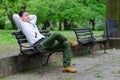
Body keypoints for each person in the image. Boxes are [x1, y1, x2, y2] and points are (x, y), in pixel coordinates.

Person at [13, 10, 78, 73]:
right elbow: (14, 16)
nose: (28, 17)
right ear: (21, 18)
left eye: (28, 15)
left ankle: (66, 67)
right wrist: (22, 18)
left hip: (45, 41)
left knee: (65, 43)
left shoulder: (32, 23)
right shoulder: (22, 24)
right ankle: (70, 42)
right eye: (26, 15)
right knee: (56, 34)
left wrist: (27, 17)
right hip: (39, 45)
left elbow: (35, 16)